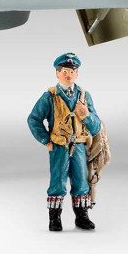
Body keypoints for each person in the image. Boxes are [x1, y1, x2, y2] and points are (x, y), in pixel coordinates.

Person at [27, 52, 102, 232]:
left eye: (72, 71)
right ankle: (55, 218)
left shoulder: (84, 96)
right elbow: (33, 119)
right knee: (57, 181)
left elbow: (96, 127)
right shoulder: (50, 96)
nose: (69, 74)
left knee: (81, 181)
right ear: (57, 73)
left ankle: (82, 216)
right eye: (65, 71)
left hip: (79, 146)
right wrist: (46, 140)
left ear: (77, 74)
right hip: (59, 146)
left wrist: (86, 115)